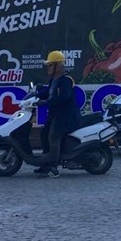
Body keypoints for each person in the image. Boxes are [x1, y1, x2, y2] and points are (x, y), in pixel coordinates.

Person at [36, 50, 80, 178]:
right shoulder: (54, 80)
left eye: (50, 65)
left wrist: (46, 102)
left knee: (53, 137)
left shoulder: (65, 81)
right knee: (44, 134)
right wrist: (34, 96)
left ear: (58, 66)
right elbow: (48, 92)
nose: (48, 68)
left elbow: (63, 98)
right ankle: (45, 163)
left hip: (66, 116)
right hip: (56, 115)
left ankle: (54, 168)